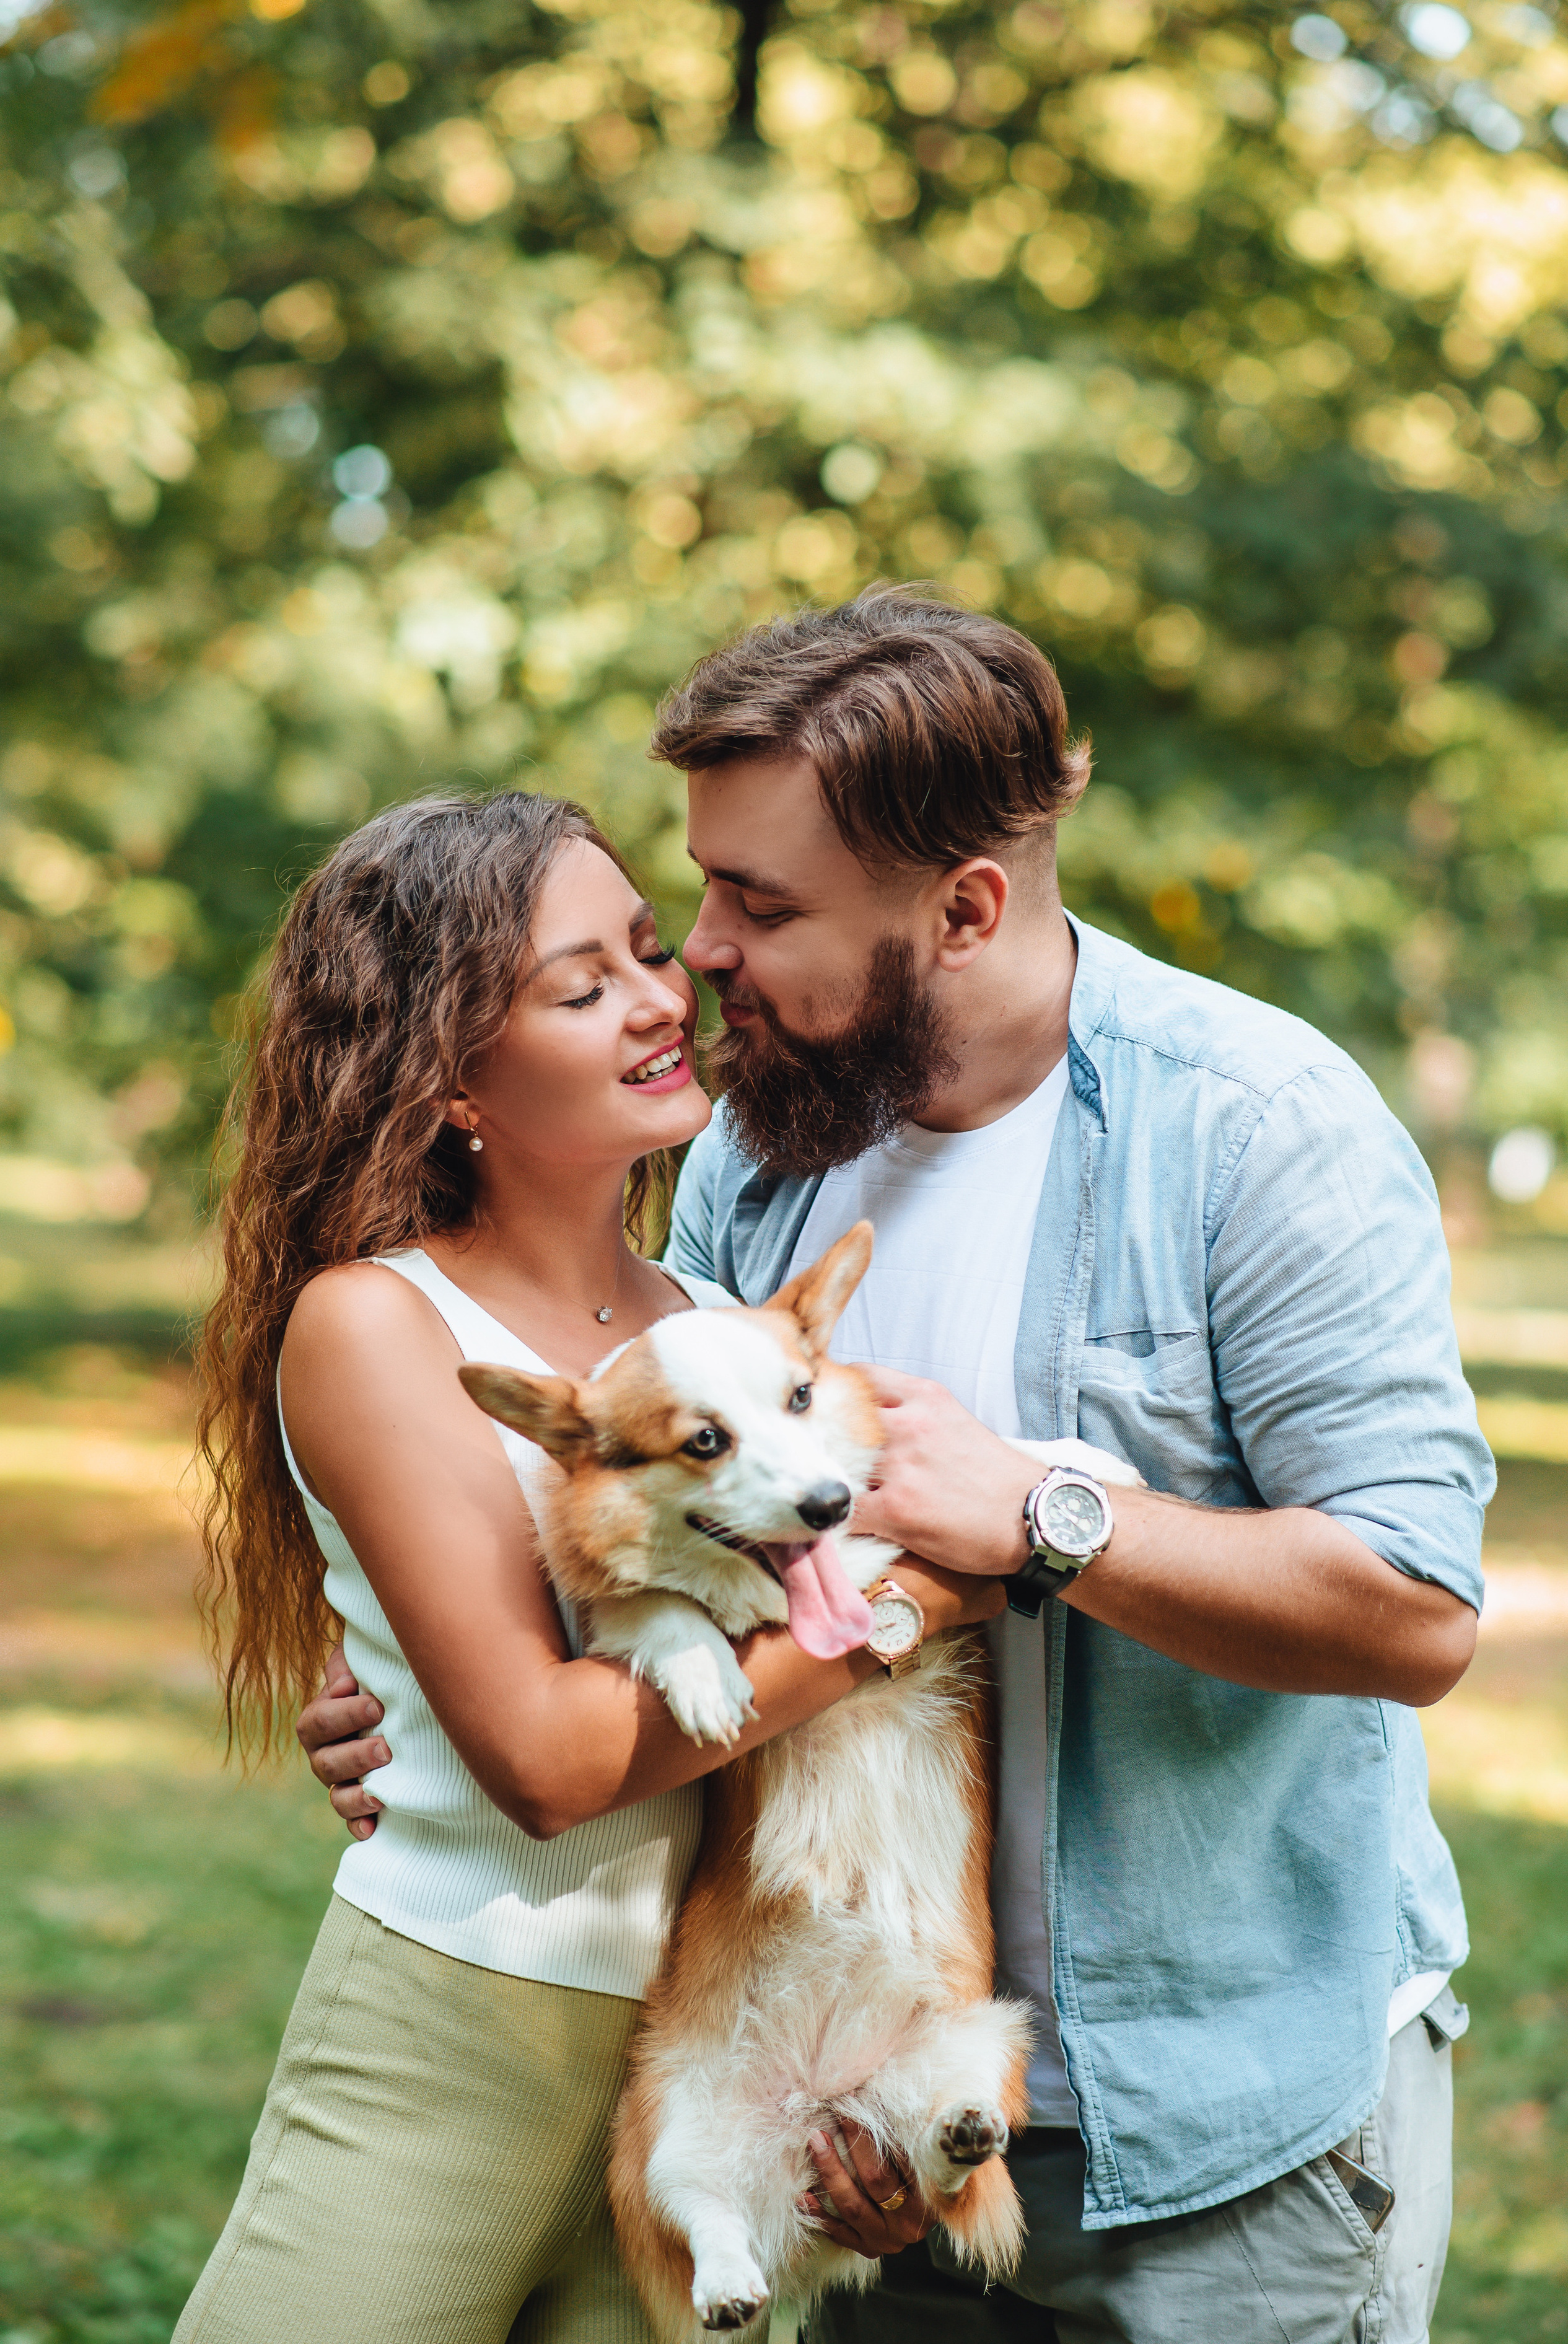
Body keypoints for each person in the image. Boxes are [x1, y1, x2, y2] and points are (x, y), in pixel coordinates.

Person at [303, 590, 1490, 2344]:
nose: (701, 951)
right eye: (702, 888)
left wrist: (1041, 1519)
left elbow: (1413, 1613)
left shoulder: (1257, 1131)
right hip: (869, 2089)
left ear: (967, 907)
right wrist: (432, 1704)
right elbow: (674, 1550)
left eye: (758, 904)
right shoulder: (763, 1166)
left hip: (1226, 2114)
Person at [177, 786, 1001, 2344]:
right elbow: (547, 1761)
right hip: (462, 2020)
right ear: (450, 1078)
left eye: (644, 947)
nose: (656, 995)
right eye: (581, 985)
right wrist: (917, 1593)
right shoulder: (380, 1322)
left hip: (721, 2033)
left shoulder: (715, 1311)